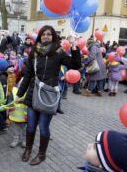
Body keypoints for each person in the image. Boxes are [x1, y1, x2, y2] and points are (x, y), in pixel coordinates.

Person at [15, 25, 81, 165]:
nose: (46, 36)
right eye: (43, 34)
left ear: (53, 36)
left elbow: (75, 65)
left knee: (44, 126)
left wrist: (74, 44)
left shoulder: (59, 52)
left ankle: (41, 154)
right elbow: (28, 74)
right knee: (31, 125)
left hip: (48, 95)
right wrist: (20, 93)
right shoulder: (35, 51)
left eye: (49, 34)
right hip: (33, 93)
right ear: (40, 36)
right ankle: (28, 149)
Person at [8, 79, 27, 148]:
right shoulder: (14, 90)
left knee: (25, 129)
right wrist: (9, 106)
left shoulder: (30, 90)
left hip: (25, 115)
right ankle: (16, 140)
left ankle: (24, 141)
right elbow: (9, 101)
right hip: (15, 115)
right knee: (16, 129)